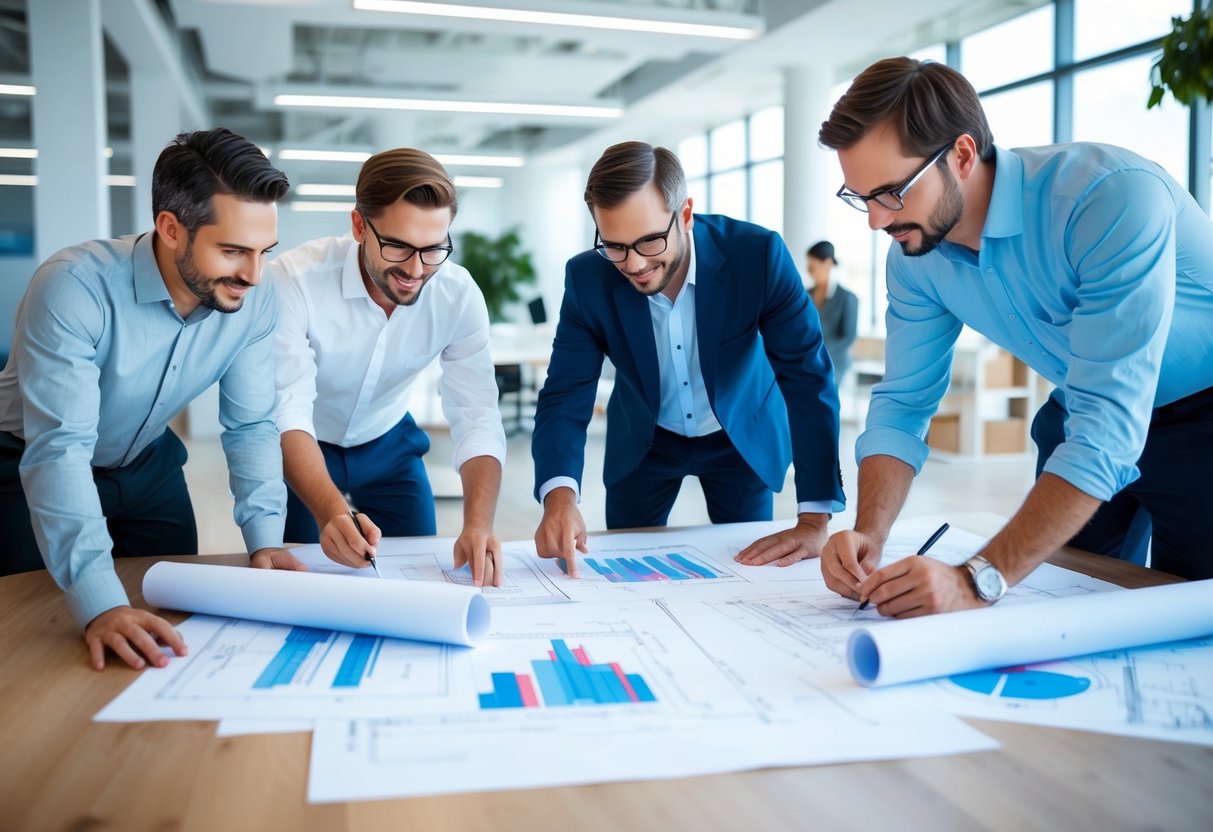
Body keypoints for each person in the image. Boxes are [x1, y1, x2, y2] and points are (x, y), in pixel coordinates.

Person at [816, 57, 1213, 616]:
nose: (876, 222)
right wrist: (869, 536)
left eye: (892, 192)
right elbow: (902, 404)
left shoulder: (1109, 199)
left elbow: (1107, 432)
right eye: (862, 197)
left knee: (1186, 613)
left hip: (1203, 418)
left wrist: (974, 579)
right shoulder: (916, 256)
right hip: (1084, 403)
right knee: (1063, 601)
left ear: (960, 154)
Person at [0, 128, 304, 670]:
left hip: (148, 470)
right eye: (233, 251)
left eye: (264, 252)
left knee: (174, 622)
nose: (254, 275)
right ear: (170, 228)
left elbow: (252, 424)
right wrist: (99, 604)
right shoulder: (74, 287)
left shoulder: (254, 299)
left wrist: (265, 542)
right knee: (39, 629)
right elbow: (60, 449)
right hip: (23, 465)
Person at [531, 141, 844, 577]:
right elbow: (566, 394)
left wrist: (814, 518)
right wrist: (559, 496)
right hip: (645, 440)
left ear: (685, 215)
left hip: (738, 436)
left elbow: (807, 379)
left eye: (649, 241)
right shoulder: (588, 279)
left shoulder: (758, 257)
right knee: (628, 574)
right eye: (615, 245)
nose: (634, 264)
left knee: (749, 571)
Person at [267, 148, 507, 587]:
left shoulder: (457, 295)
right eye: (398, 246)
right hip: (303, 444)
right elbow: (287, 409)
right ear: (359, 226)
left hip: (388, 442)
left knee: (420, 574)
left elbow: (477, 413)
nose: (416, 269)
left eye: (434, 249)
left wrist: (479, 522)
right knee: (303, 579)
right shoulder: (293, 280)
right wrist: (330, 511)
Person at [806, 240, 859, 378]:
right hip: (809, 364)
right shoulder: (806, 295)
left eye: (813, 267)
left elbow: (849, 336)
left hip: (835, 366)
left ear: (828, 264)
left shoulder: (846, 297)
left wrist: (820, 352)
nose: (810, 272)